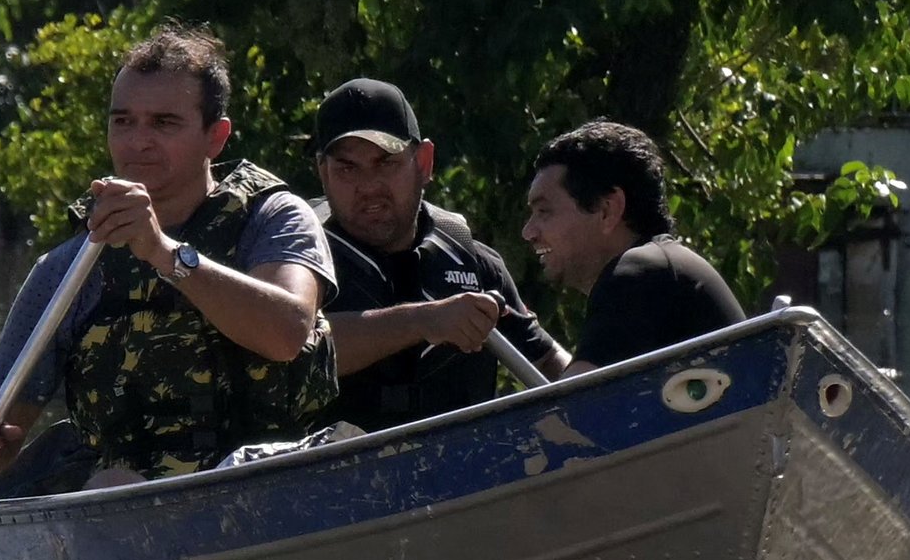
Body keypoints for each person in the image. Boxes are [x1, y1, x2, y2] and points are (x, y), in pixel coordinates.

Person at [0, 26, 336, 489]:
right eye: (123, 121)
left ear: (216, 137)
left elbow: (286, 333)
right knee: (110, 481)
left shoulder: (272, 218)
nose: (137, 142)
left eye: (164, 123)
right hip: (129, 498)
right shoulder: (66, 269)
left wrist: (163, 252)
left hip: (276, 480)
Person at [307, 78, 568, 427]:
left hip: (469, 474)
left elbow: (553, 364)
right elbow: (289, 346)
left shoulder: (476, 264)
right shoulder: (294, 260)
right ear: (322, 173)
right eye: (347, 168)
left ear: (424, 162)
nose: (368, 187)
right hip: (333, 475)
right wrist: (424, 320)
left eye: (386, 163)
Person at [517, 118, 745, 368]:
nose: (528, 232)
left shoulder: (638, 274)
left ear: (607, 209)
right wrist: (526, 338)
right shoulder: (662, 271)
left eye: (544, 211)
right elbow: (585, 393)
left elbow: (570, 406)